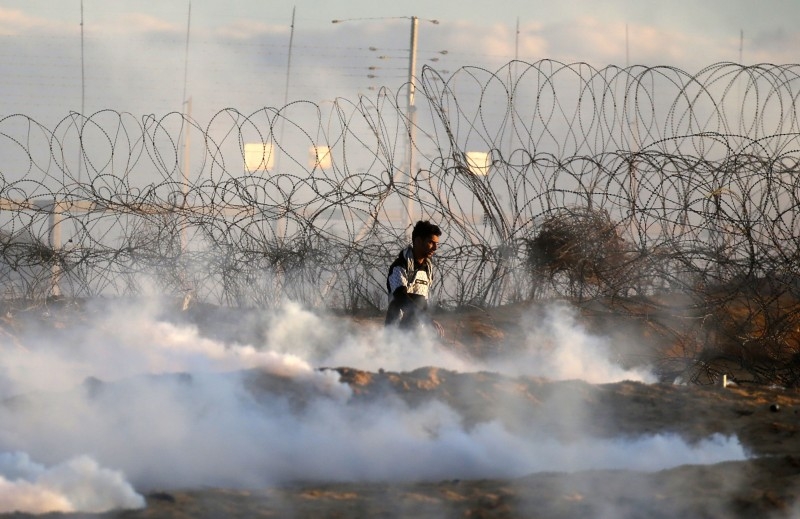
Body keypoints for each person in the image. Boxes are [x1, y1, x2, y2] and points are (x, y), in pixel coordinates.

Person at [385, 220, 442, 330]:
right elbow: (401, 297)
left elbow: (424, 302)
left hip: (417, 332)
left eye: (437, 244)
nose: (435, 248)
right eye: (431, 242)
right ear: (418, 241)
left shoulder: (428, 269)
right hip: (396, 332)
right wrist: (426, 319)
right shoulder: (399, 266)